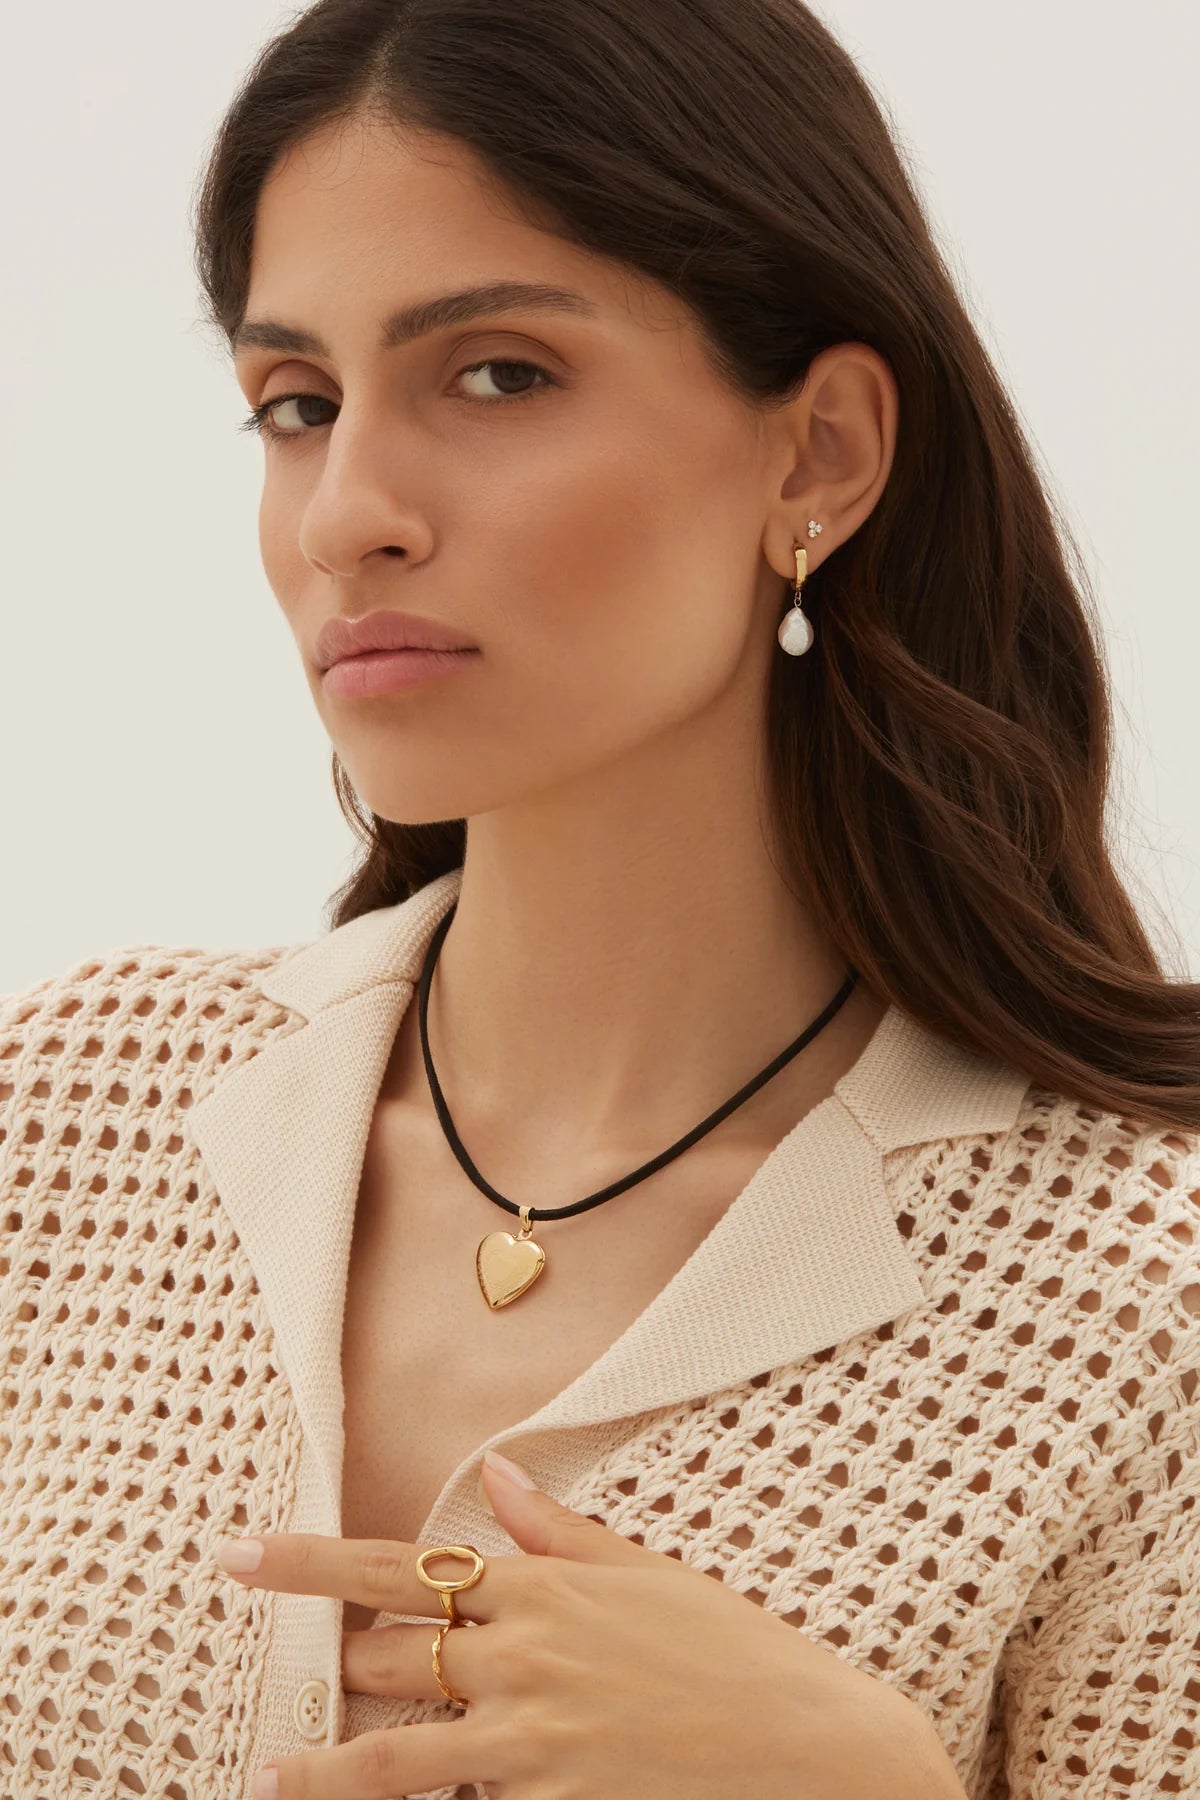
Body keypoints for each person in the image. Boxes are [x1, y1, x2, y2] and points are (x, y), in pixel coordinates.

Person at [2, 1, 1198, 1797]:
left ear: (820, 454)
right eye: (297, 405)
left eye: (498, 375)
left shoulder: (1139, 1305)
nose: (347, 513)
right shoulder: (71, 1113)